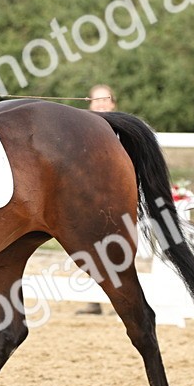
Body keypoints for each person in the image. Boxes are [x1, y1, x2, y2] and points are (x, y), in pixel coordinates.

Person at [78, 83, 116, 313]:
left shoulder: (122, 131)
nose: (101, 103)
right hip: (89, 201)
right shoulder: (80, 132)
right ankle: (95, 302)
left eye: (105, 99)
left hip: (114, 200)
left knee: (116, 253)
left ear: (113, 103)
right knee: (89, 252)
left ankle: (117, 301)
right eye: (96, 100)